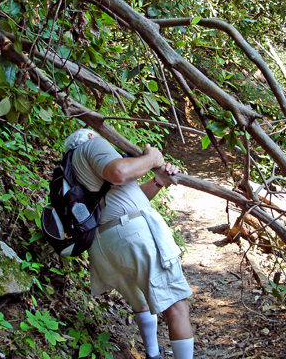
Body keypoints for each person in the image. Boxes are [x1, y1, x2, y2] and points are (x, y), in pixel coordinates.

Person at [64, 128, 194, 359]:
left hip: (106, 242)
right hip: (132, 236)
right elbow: (119, 173)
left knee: (141, 300)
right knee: (176, 306)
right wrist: (152, 158)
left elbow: (125, 198)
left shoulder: (74, 169)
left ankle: (153, 354)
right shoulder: (91, 145)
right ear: (92, 135)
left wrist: (159, 180)